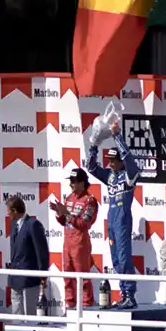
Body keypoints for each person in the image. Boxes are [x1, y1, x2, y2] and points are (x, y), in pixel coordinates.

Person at [87, 121, 140, 309]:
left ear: (120, 161)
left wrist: (117, 136)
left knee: (125, 258)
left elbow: (131, 162)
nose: (109, 163)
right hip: (111, 218)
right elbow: (91, 167)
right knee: (116, 259)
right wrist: (93, 144)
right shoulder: (110, 176)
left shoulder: (129, 175)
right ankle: (124, 294)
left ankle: (130, 296)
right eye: (108, 160)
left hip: (123, 218)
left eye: (112, 160)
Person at [51, 167, 98, 309]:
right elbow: (63, 222)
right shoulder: (69, 198)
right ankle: (69, 307)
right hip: (67, 243)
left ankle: (87, 307)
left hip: (80, 243)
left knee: (82, 279)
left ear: (83, 183)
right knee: (67, 278)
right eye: (70, 181)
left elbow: (84, 224)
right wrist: (59, 213)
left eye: (74, 181)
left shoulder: (89, 201)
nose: (71, 184)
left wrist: (67, 213)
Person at [6, 195, 50, 317]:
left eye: (9, 211)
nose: (8, 214)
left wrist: (43, 275)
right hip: (15, 279)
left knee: (30, 314)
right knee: (17, 314)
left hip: (29, 279)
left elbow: (42, 252)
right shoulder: (14, 225)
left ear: (14, 211)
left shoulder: (33, 224)